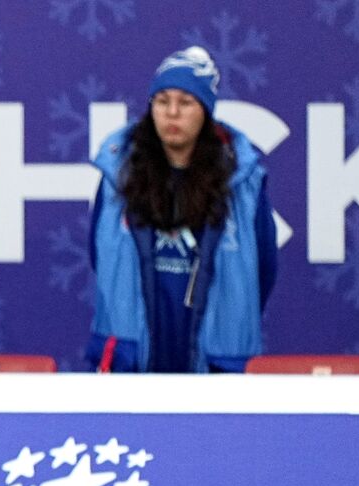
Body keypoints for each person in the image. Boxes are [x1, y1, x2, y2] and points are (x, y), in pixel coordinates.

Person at [86, 46, 277, 373]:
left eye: (186, 102)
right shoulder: (119, 175)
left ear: (206, 111)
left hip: (216, 361)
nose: (172, 113)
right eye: (162, 101)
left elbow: (264, 269)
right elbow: (98, 254)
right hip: (132, 361)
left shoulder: (243, 183)